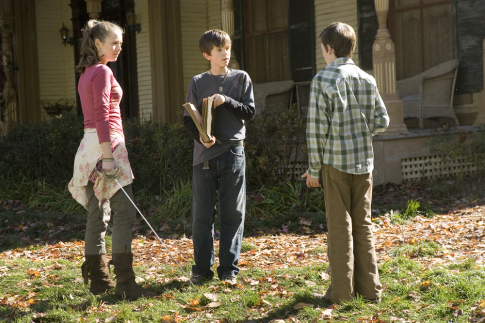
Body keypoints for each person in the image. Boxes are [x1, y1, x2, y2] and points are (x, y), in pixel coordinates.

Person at [302, 22, 389, 303]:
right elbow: (382, 121)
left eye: (323, 50)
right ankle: (371, 290)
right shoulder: (367, 78)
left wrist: (313, 170)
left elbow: (316, 131)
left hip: (335, 165)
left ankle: (342, 294)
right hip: (364, 163)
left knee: (340, 227)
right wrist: (361, 132)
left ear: (328, 49)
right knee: (362, 224)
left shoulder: (322, 80)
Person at [68, 19, 155, 299]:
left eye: (120, 43)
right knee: (125, 212)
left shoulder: (86, 72)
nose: (119, 48)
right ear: (97, 44)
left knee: (98, 213)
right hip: (106, 146)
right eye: (113, 43)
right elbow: (103, 115)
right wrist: (108, 157)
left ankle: (99, 281)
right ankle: (126, 285)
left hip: (87, 145)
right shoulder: (102, 72)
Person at [183, 29, 255, 285]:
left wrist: (225, 100)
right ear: (207, 54)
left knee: (233, 214)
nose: (226, 53)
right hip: (204, 157)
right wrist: (200, 137)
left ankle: (229, 271)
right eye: (219, 50)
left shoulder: (241, 78)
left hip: (233, 152)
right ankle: (201, 271)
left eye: (227, 48)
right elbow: (188, 119)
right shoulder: (197, 82)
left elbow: (249, 112)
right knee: (202, 216)